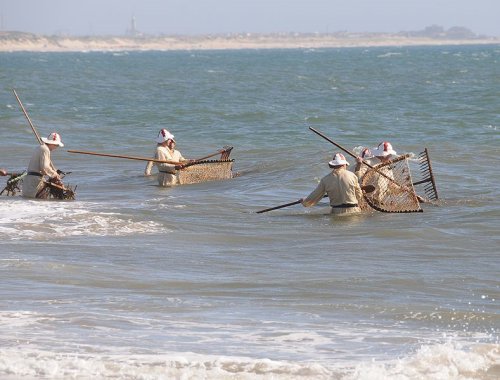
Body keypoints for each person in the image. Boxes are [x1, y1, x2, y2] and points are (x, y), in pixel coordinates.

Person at [22, 132, 64, 199]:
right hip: (35, 183)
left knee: (30, 207)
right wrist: (55, 174)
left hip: (28, 182)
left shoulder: (39, 148)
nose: (56, 147)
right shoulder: (45, 149)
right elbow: (45, 168)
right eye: (57, 145)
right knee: (41, 204)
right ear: (53, 143)